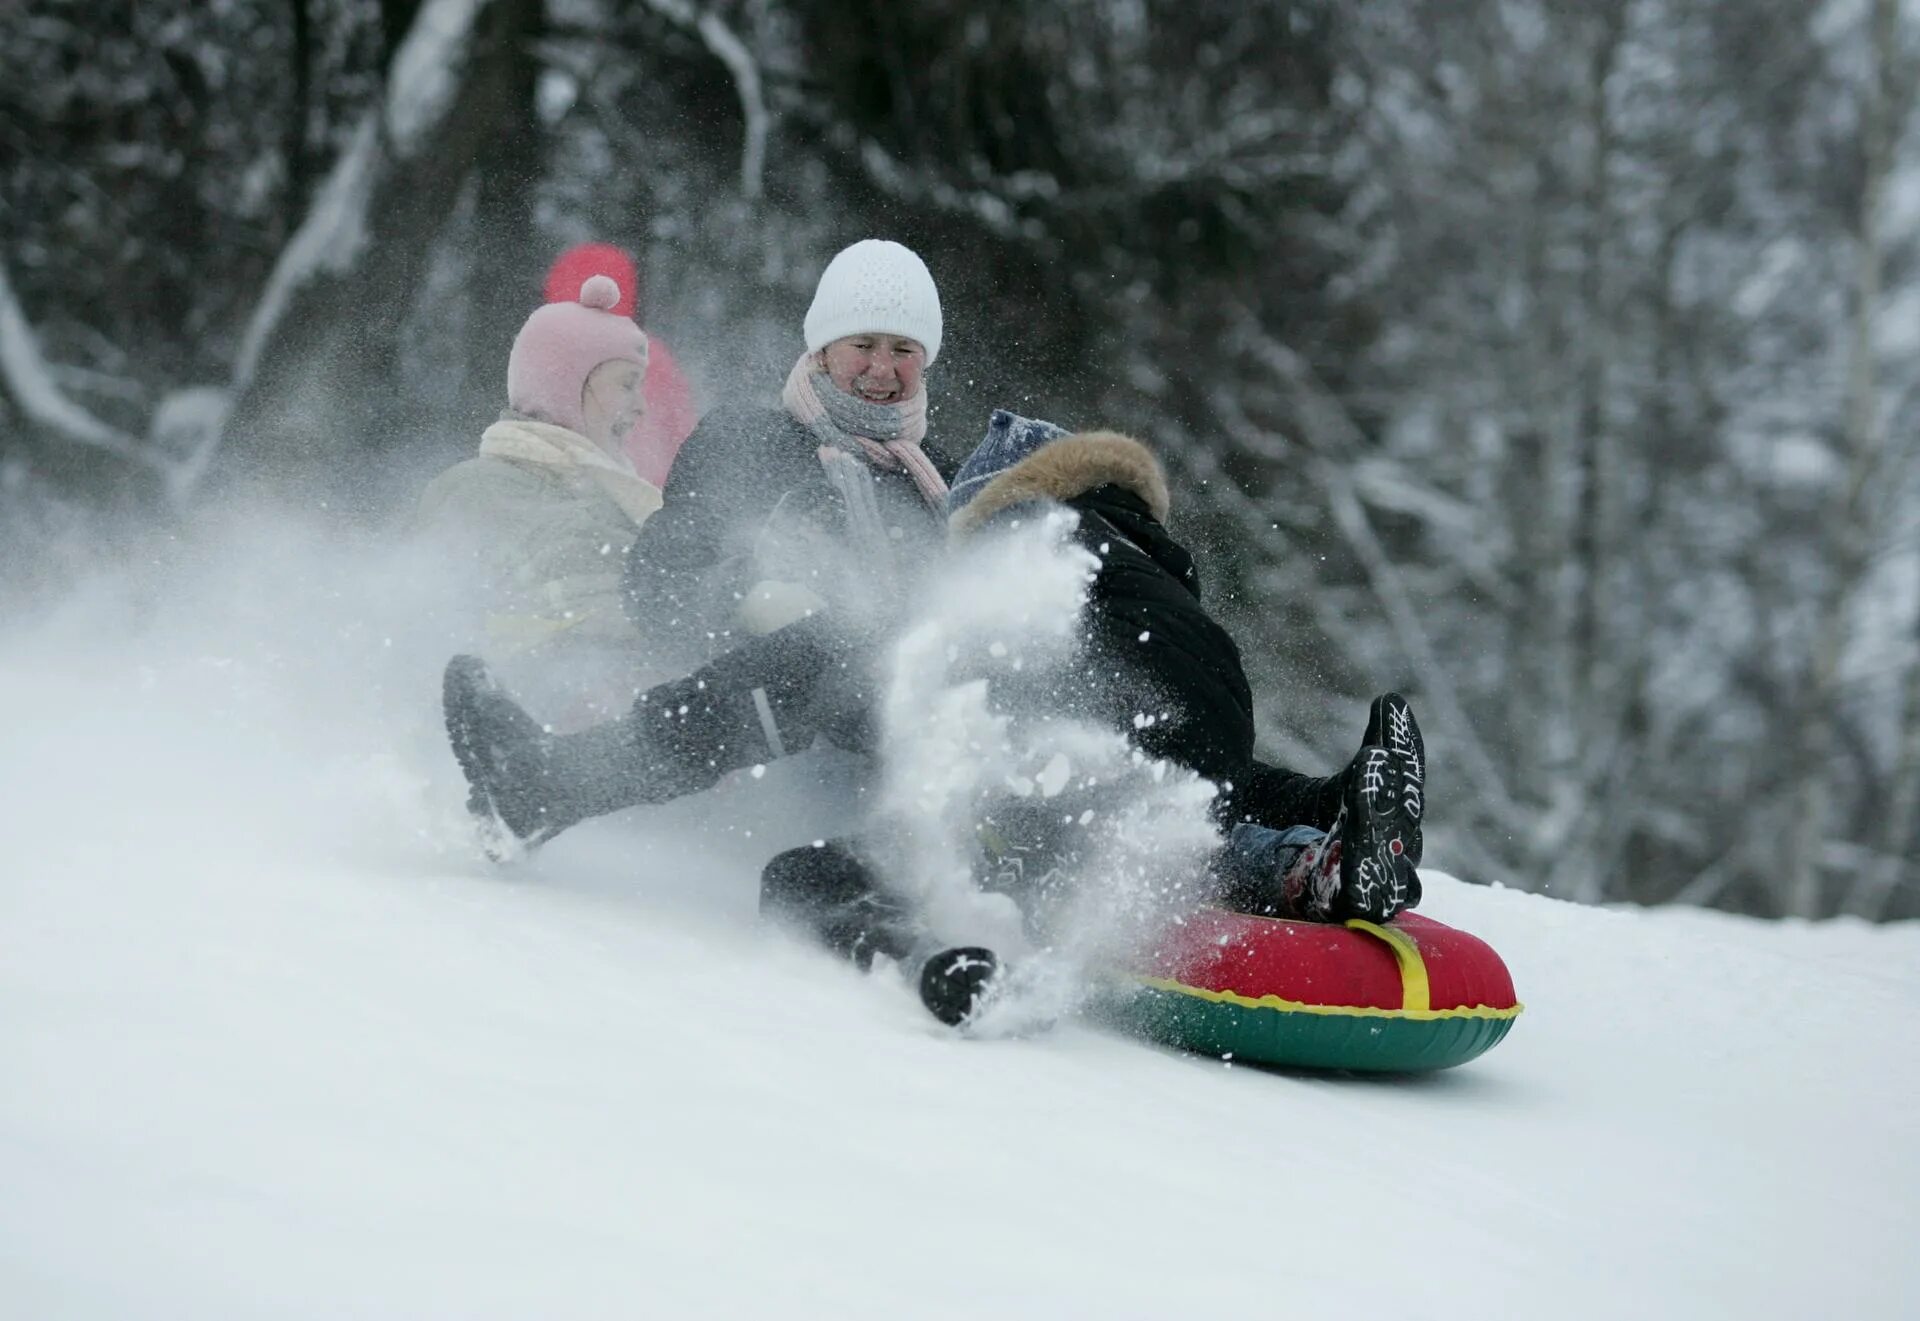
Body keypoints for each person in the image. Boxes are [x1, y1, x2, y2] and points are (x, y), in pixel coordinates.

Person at [753, 412, 1427, 1016]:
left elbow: (906, 669)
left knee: (807, 872)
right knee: (1184, 815)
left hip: (1084, 725)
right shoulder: (1138, 549)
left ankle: (918, 952)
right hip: (1208, 701)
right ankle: (1323, 839)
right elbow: (1200, 764)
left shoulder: (1014, 555)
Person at [622, 238, 956, 668]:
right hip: (751, 699)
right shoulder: (743, 444)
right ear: (823, 350)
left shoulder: (944, 483)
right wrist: (744, 597)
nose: (881, 368)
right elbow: (654, 583)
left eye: (903, 349)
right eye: (863, 344)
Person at [417, 274, 662, 712]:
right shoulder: (479, 489)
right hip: (529, 713)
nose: (641, 406)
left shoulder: (614, 499)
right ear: (567, 387)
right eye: (627, 384)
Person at [543, 242, 698, 489]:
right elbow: (682, 434)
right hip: (647, 494)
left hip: (565, 494)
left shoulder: (544, 359)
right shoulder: (651, 356)